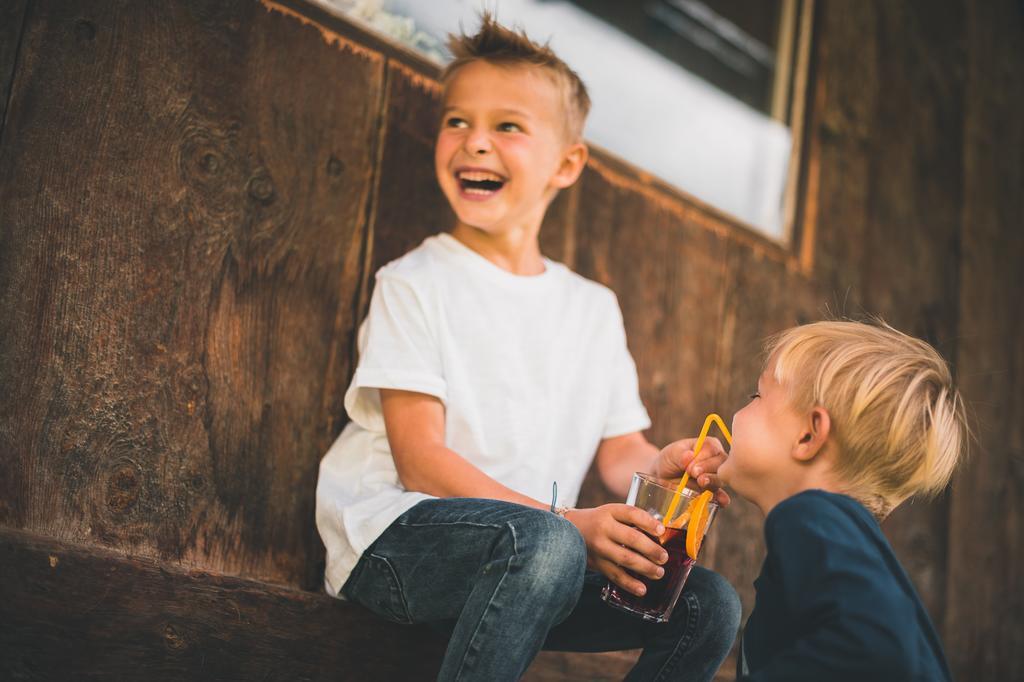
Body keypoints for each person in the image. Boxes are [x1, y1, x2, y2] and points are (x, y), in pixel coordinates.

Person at [315, 13, 740, 682]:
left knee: (710, 604)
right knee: (550, 544)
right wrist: (571, 524)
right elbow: (420, 461)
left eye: (507, 126)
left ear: (567, 164)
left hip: (533, 564)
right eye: (457, 121)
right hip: (398, 547)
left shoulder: (591, 309)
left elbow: (620, 451)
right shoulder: (416, 283)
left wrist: (662, 464)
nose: (474, 143)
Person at [716, 320, 966, 681]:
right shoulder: (835, 530)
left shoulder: (809, 514)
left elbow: (881, 650)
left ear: (808, 435)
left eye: (756, 396)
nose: (738, 413)